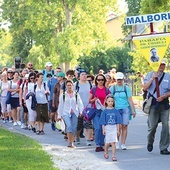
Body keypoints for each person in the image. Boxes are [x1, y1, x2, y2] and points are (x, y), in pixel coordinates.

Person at [143, 61, 170, 155]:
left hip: (164, 104)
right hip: (153, 104)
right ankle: (150, 142)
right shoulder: (150, 74)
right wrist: (152, 79)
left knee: (166, 126)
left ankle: (164, 147)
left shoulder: (167, 76)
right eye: (160, 64)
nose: (161, 66)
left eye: (163, 65)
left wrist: (164, 96)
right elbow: (145, 88)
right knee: (152, 127)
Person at [109, 72, 136, 150]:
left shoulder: (126, 88)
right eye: (118, 79)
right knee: (118, 126)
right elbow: (110, 99)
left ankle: (123, 143)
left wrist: (133, 110)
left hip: (125, 108)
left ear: (123, 79)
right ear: (116, 80)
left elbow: (130, 99)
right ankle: (116, 142)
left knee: (124, 125)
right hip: (116, 109)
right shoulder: (113, 88)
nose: (119, 81)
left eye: (120, 79)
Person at [57, 80, 84, 148]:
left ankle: (72, 141)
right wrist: (59, 115)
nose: (69, 86)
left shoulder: (76, 94)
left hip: (75, 113)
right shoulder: (63, 95)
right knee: (69, 126)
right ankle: (69, 142)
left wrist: (81, 112)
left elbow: (80, 104)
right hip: (66, 113)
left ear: (73, 86)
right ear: (66, 86)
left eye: (70, 85)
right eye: (68, 85)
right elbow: (61, 106)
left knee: (74, 127)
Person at [89, 74, 110, 152]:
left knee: (103, 128)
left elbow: (110, 99)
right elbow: (89, 100)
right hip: (96, 110)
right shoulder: (93, 89)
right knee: (97, 128)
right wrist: (95, 99)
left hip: (104, 111)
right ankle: (98, 144)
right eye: (98, 80)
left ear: (104, 81)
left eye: (102, 80)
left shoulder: (107, 90)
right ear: (96, 81)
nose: (100, 81)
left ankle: (101, 143)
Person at [100, 94, 121, 161]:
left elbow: (118, 121)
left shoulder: (115, 111)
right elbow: (103, 121)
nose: (110, 103)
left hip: (114, 127)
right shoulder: (105, 111)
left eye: (112, 101)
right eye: (109, 101)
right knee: (108, 142)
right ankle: (105, 151)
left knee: (114, 142)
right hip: (107, 127)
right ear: (106, 102)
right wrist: (103, 129)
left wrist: (118, 130)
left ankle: (113, 156)